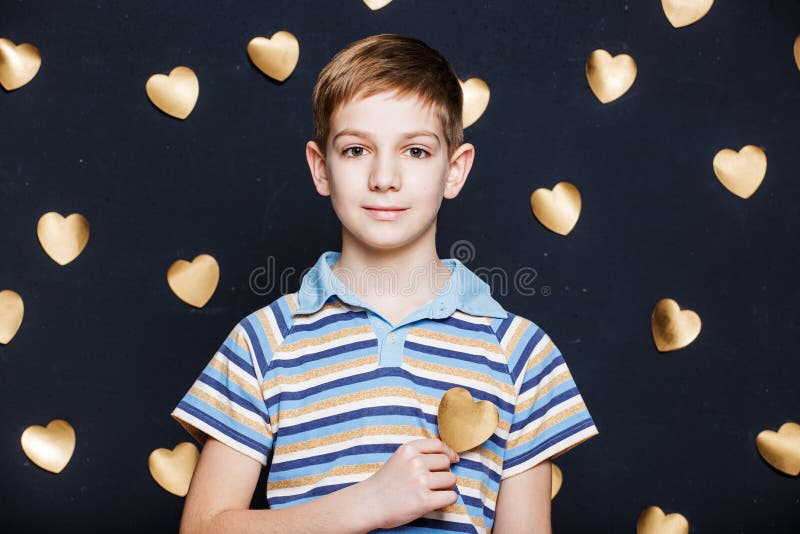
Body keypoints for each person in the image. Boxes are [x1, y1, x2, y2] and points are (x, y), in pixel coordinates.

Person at [170, 33, 600, 533]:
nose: (384, 177)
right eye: (356, 149)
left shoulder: (521, 353)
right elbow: (201, 528)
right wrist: (368, 503)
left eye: (415, 151)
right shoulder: (263, 341)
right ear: (321, 168)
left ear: (454, 170)